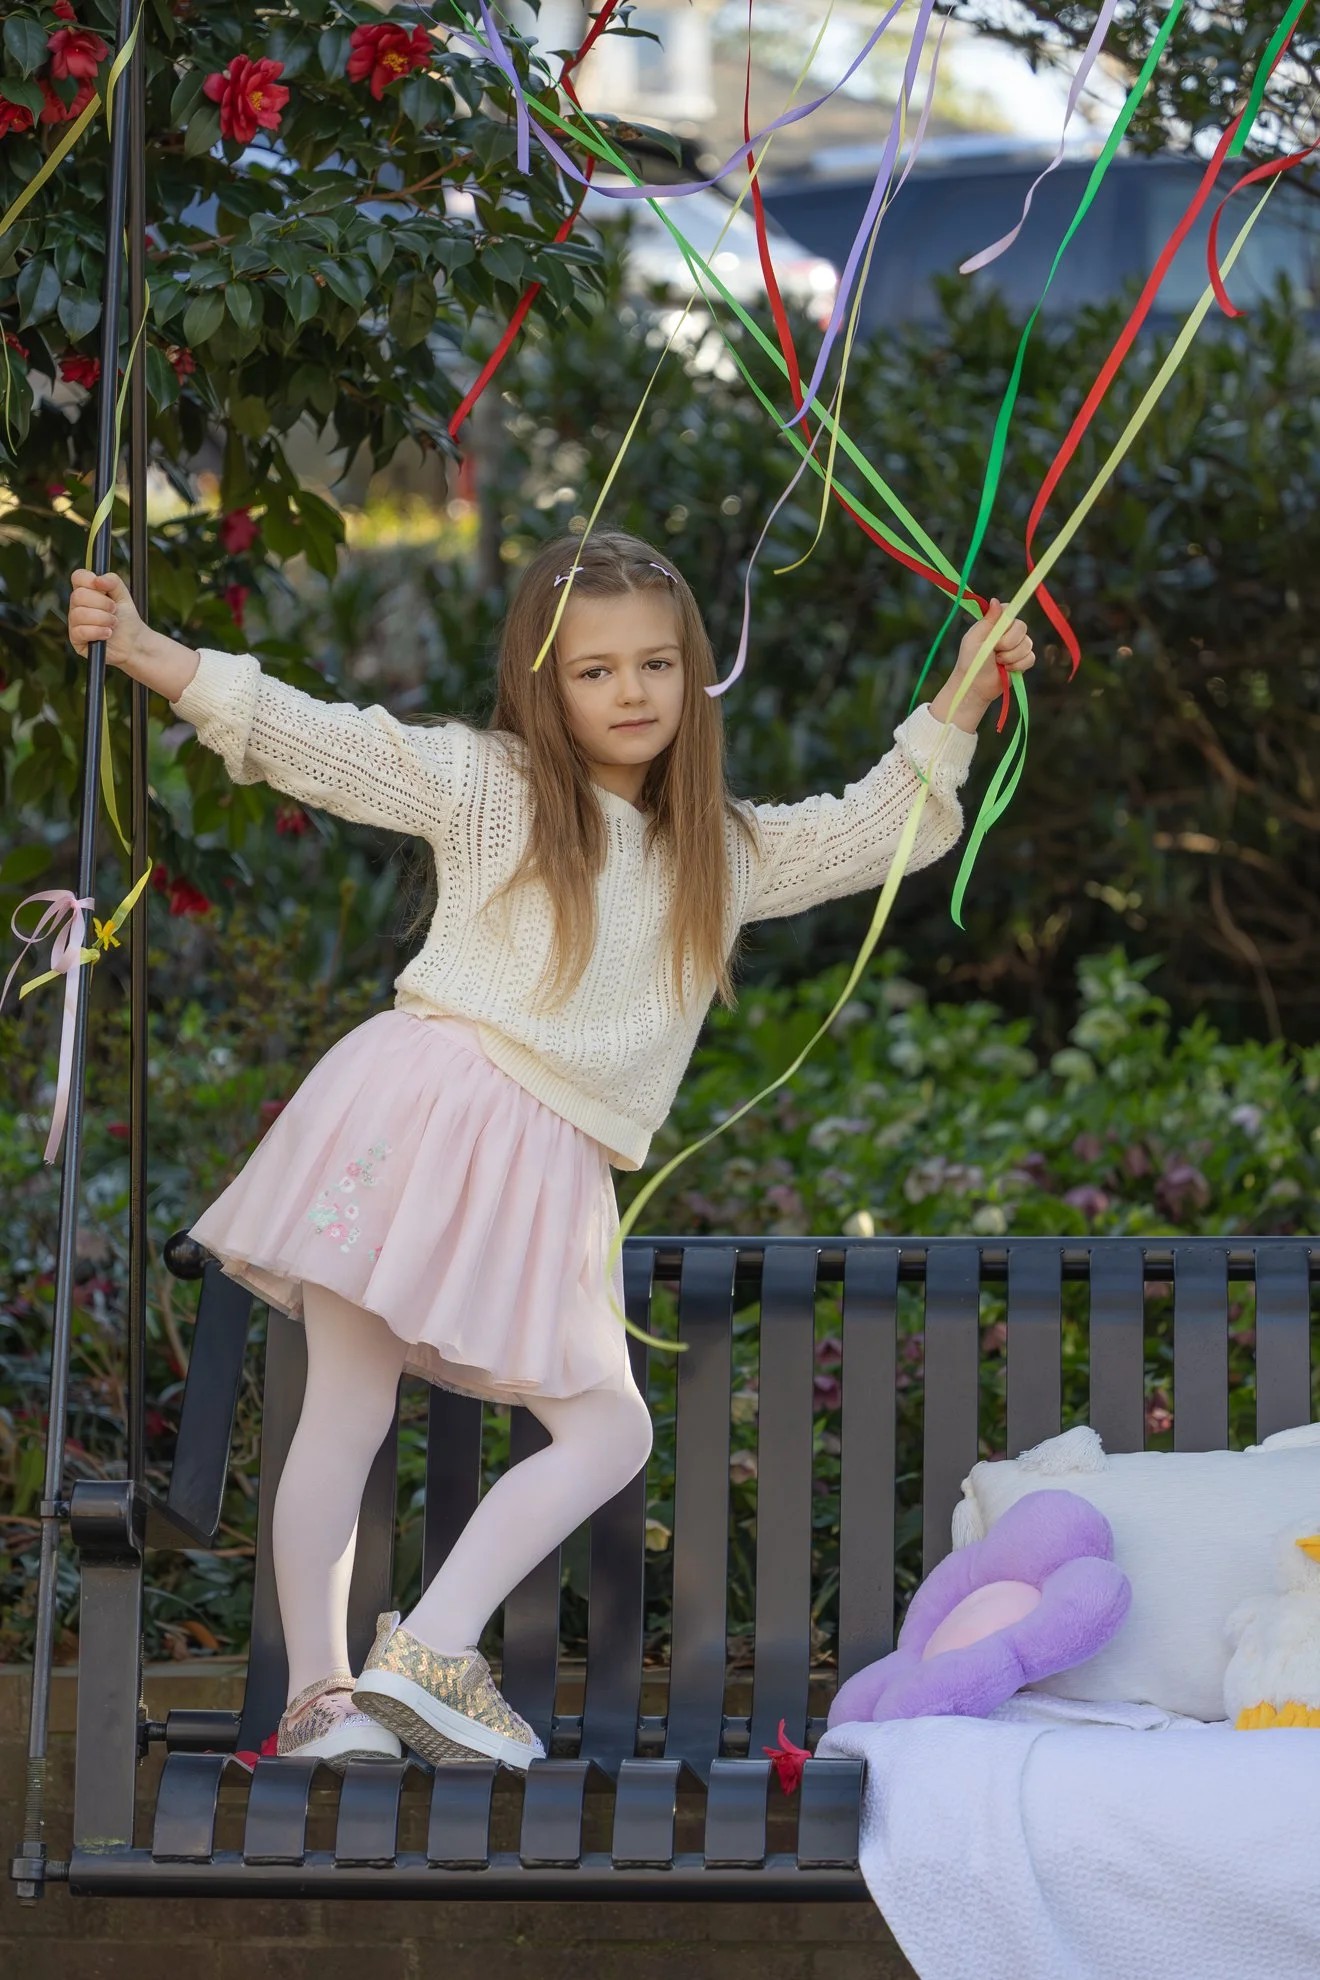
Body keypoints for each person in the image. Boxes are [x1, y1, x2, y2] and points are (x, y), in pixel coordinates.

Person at [66, 529, 1034, 1772]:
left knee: (584, 1427)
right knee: (371, 1411)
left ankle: (401, 1666)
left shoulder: (717, 854)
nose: (631, 694)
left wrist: (960, 696)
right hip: (429, 1105)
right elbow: (331, 744)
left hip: (539, 1159)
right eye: (594, 672)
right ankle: (342, 1693)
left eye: (657, 666)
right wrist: (153, 655)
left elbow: (871, 831)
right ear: (543, 680)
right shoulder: (497, 788)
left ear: (693, 676)